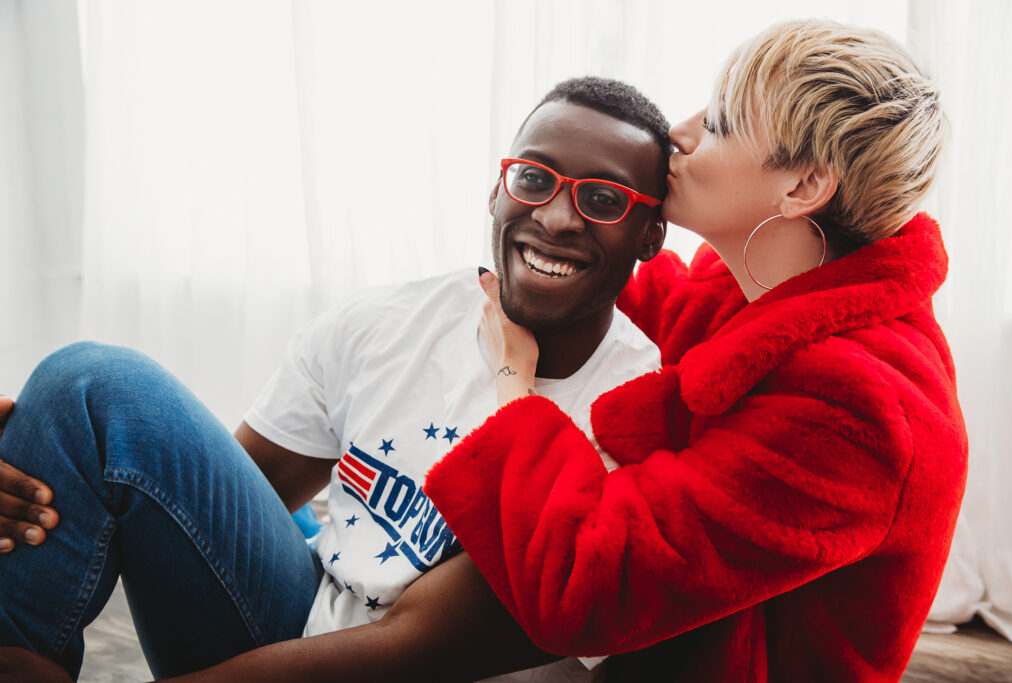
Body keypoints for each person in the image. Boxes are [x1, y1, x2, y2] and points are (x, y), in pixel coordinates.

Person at [0, 78, 670, 681]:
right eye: (534, 178)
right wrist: (49, 453)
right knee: (86, 391)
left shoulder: (639, 418)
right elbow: (210, 507)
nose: (555, 216)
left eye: (603, 199)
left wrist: (507, 378)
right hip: (300, 622)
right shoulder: (393, 321)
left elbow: (414, 650)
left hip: (396, 666)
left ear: (650, 234)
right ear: (497, 189)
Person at [423, 19, 968, 682]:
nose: (675, 135)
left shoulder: (860, 408)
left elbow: (587, 588)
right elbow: (664, 295)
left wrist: (515, 380)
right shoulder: (769, 284)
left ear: (801, 189)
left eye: (717, 124)